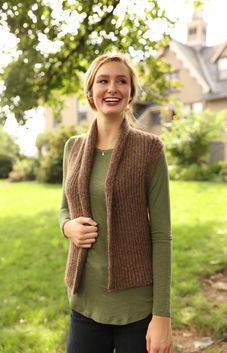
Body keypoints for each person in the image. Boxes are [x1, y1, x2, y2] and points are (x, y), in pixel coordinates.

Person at [59, 52, 173, 353]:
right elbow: (64, 209)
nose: (113, 88)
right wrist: (68, 227)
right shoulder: (73, 148)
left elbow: (162, 236)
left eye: (122, 81)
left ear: (131, 93)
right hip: (84, 303)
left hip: (137, 309)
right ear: (90, 92)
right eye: (103, 81)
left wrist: (162, 315)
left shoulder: (150, 150)